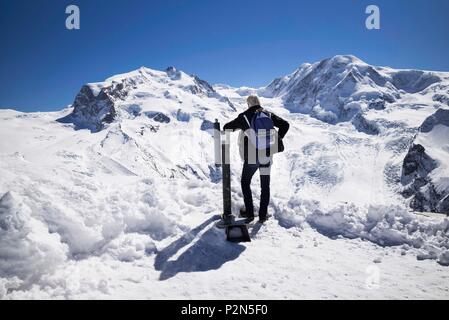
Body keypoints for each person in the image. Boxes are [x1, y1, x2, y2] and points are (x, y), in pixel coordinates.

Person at [223, 95, 289, 223]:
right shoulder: (268, 114)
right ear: (259, 103)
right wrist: (276, 142)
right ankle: (263, 215)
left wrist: (241, 127)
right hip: (267, 155)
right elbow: (285, 125)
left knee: (245, 182)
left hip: (252, 156)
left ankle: (250, 213)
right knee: (265, 185)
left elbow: (227, 127)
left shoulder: (244, 116)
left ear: (248, 104)